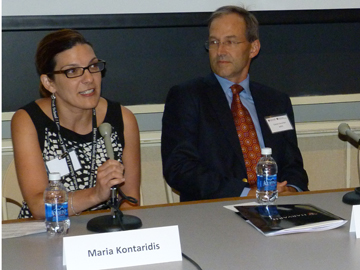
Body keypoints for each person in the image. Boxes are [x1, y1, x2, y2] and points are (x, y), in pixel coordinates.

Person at [161, 6, 309, 202]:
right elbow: (179, 168)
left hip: (278, 207)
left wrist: (290, 189)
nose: (220, 51)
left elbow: (293, 164)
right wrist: (244, 193)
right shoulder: (187, 97)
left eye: (230, 42)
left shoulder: (276, 101)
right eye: (214, 42)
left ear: (253, 48)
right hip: (216, 213)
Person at [11, 29, 141, 219]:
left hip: (106, 233)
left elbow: (130, 201)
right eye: (72, 71)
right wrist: (96, 194)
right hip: (49, 231)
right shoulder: (29, 120)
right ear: (49, 83)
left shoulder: (122, 119)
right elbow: (39, 208)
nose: (89, 79)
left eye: (93, 66)